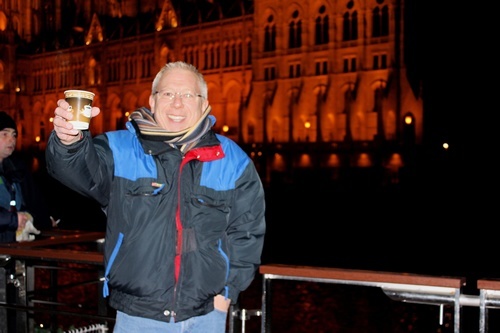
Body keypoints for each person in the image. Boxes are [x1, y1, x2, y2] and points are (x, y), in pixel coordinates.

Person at [45, 61, 266, 332]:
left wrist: (228, 292)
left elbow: (247, 231)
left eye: (187, 95)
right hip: (138, 317)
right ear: (152, 100)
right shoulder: (119, 148)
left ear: (204, 103)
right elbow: (78, 170)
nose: (176, 104)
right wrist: (68, 142)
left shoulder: (232, 159)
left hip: (207, 316)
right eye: (168, 94)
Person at [0, 111, 52, 243]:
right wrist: (13, 219)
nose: (11, 139)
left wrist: (40, 219)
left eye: (14, 135)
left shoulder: (17, 169)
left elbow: (34, 201)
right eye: (5, 134)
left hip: (15, 245)